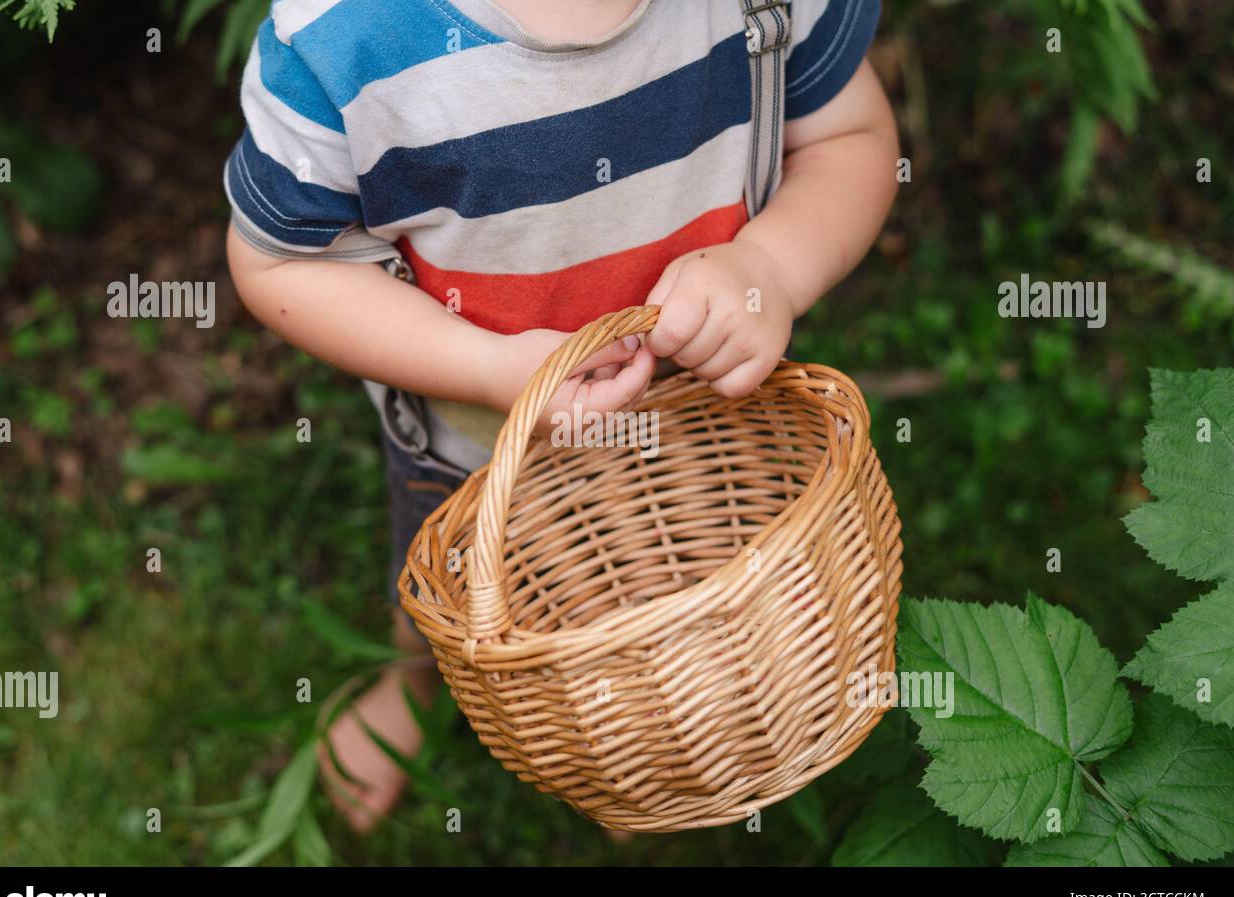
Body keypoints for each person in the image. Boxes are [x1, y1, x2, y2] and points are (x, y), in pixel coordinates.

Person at [225, 0, 897, 831]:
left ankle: (675, 723)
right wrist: (485, 367)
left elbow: (848, 140)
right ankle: (416, 677)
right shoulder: (343, 39)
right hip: (478, 451)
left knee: (697, 573)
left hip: (720, 419)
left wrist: (768, 268)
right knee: (447, 582)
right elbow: (284, 266)